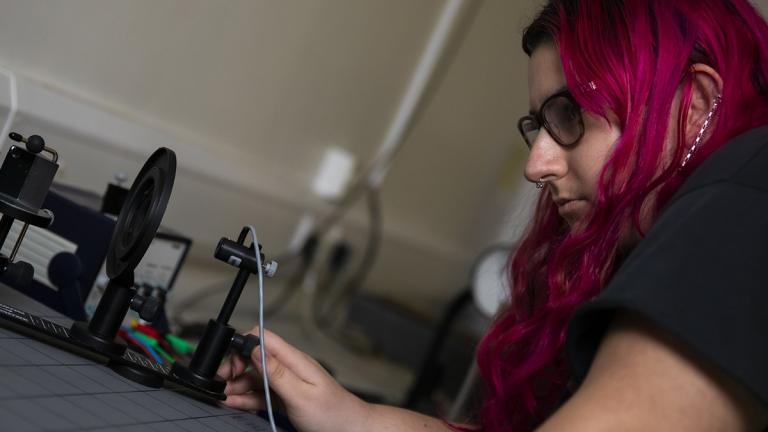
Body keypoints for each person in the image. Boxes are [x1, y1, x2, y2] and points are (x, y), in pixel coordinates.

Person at [217, 0, 768, 430]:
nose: (537, 164)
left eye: (570, 115)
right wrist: (355, 418)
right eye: (539, 126)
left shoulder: (750, 184)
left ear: (694, 104)